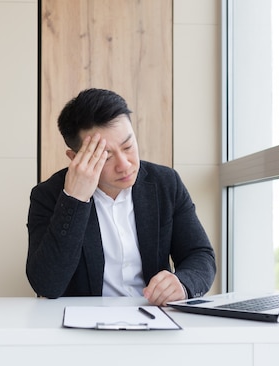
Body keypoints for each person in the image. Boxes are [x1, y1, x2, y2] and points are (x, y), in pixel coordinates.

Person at [26, 88, 216, 306]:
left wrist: (182, 284)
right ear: (75, 158)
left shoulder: (166, 183)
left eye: (128, 146)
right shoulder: (47, 195)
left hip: (154, 316)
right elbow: (47, 285)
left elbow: (200, 255)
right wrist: (74, 200)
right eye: (105, 157)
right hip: (83, 324)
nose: (124, 165)